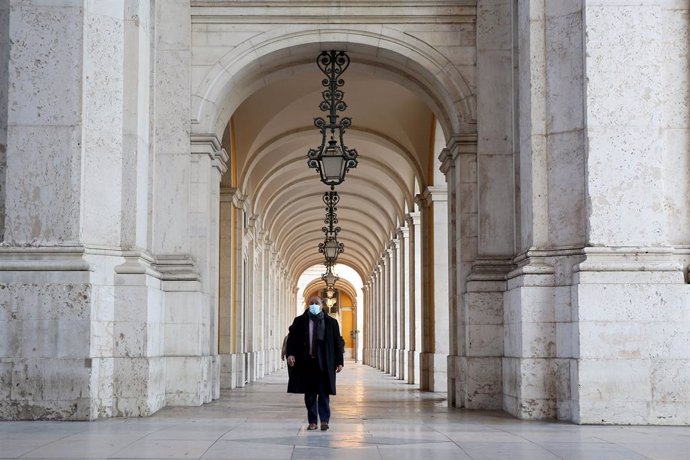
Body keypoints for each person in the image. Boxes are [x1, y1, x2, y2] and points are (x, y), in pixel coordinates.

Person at [286, 296, 344, 431]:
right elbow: (292, 340)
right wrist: (290, 354)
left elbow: (337, 342)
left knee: (324, 393)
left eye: (316, 303)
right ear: (308, 304)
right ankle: (312, 421)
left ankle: (324, 420)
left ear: (321, 305)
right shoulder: (299, 321)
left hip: (324, 362)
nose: (313, 305)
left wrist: (339, 361)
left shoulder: (331, 323)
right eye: (311, 303)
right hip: (306, 362)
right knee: (310, 394)